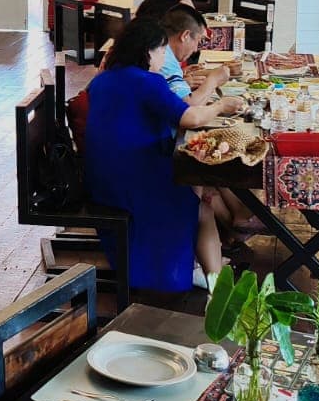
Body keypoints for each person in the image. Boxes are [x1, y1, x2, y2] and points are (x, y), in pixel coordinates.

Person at [82, 18, 246, 292]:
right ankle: (217, 288)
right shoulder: (146, 82)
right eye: (161, 51)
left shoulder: (104, 79)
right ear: (148, 51)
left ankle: (192, 265)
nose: (163, 58)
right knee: (201, 208)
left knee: (196, 185)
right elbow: (190, 117)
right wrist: (221, 106)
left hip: (101, 179)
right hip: (132, 181)